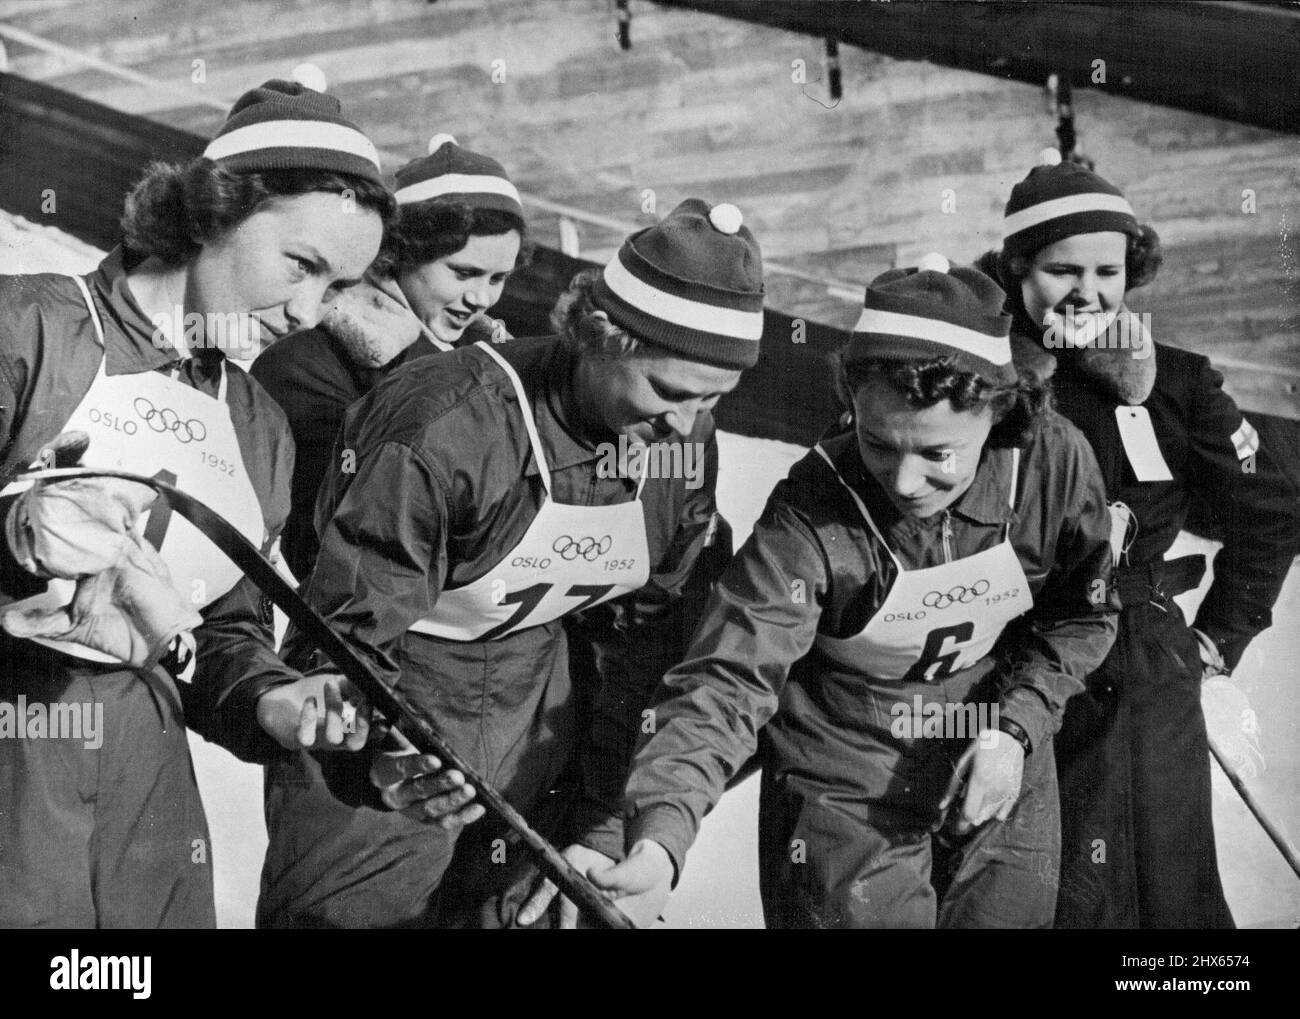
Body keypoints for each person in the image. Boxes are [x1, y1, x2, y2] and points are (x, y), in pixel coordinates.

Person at [201, 197, 763, 928]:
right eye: (669, 393)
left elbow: (650, 644)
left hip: (541, 732)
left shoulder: (681, 443)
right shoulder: (443, 425)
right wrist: (379, 766)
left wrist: (598, 817)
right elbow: (340, 640)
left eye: (712, 401)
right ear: (600, 338)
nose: (685, 424)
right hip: (397, 733)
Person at [597, 256, 1118, 928]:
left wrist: (1015, 730)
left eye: (937, 454)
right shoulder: (810, 512)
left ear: (999, 415)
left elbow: (1084, 612)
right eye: (878, 443)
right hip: (844, 772)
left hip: (992, 740)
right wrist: (661, 840)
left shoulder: (1054, 463)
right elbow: (727, 678)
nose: (903, 481)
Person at [0, 71, 394, 927]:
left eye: (335, 289)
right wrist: (19, 544)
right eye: (301, 264)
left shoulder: (257, 427)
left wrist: (272, 699)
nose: (306, 311)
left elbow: (220, 633)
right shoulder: (29, 330)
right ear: (215, 210)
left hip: (146, 783)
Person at [974, 150, 1300, 929]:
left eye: (1108, 272)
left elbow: (1274, 507)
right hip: (1019, 667)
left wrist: (1222, 635)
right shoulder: (979, 379)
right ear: (1017, 267)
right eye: (1061, 270)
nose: (1087, 292)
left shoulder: (1180, 384)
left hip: (1150, 670)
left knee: (1168, 889)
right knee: (1050, 895)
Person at [252, 134, 528, 581]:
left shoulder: (496, 367)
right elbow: (316, 539)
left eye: (499, 278)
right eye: (463, 273)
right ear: (404, 251)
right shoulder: (308, 362)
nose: (481, 298)